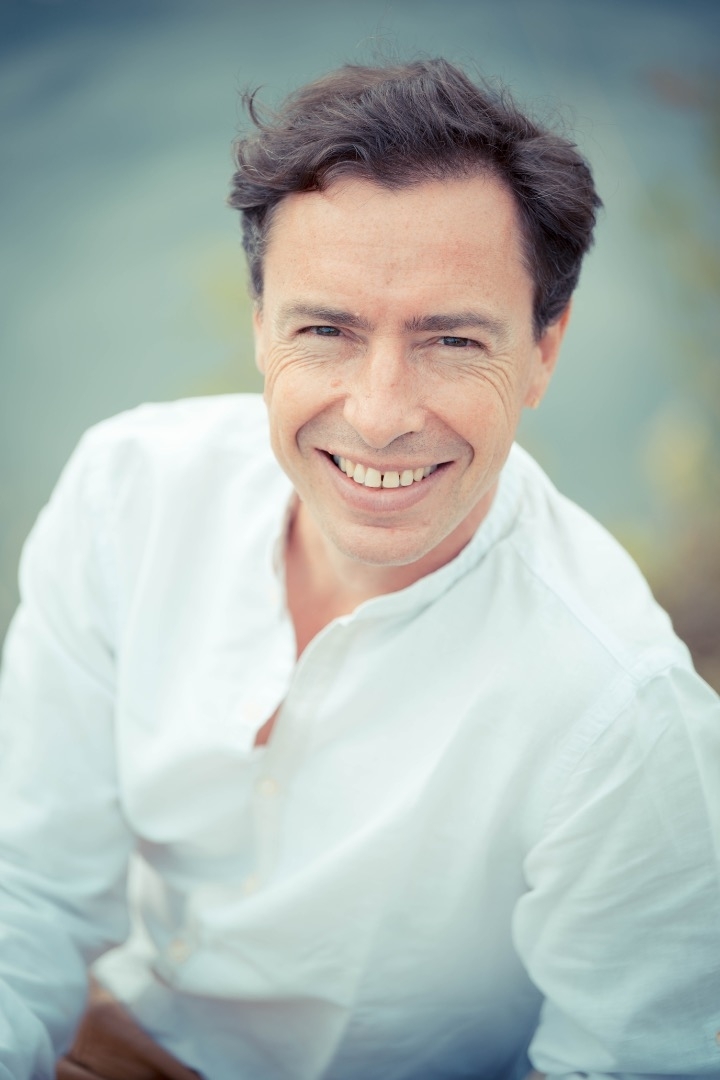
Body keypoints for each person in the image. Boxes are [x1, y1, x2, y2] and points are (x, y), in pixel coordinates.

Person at [0, 59, 718, 1080]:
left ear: (544, 350)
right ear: (261, 328)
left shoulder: (623, 712)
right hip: (101, 1021)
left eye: (452, 339)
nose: (379, 414)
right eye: (325, 330)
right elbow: (26, 890)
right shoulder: (128, 494)